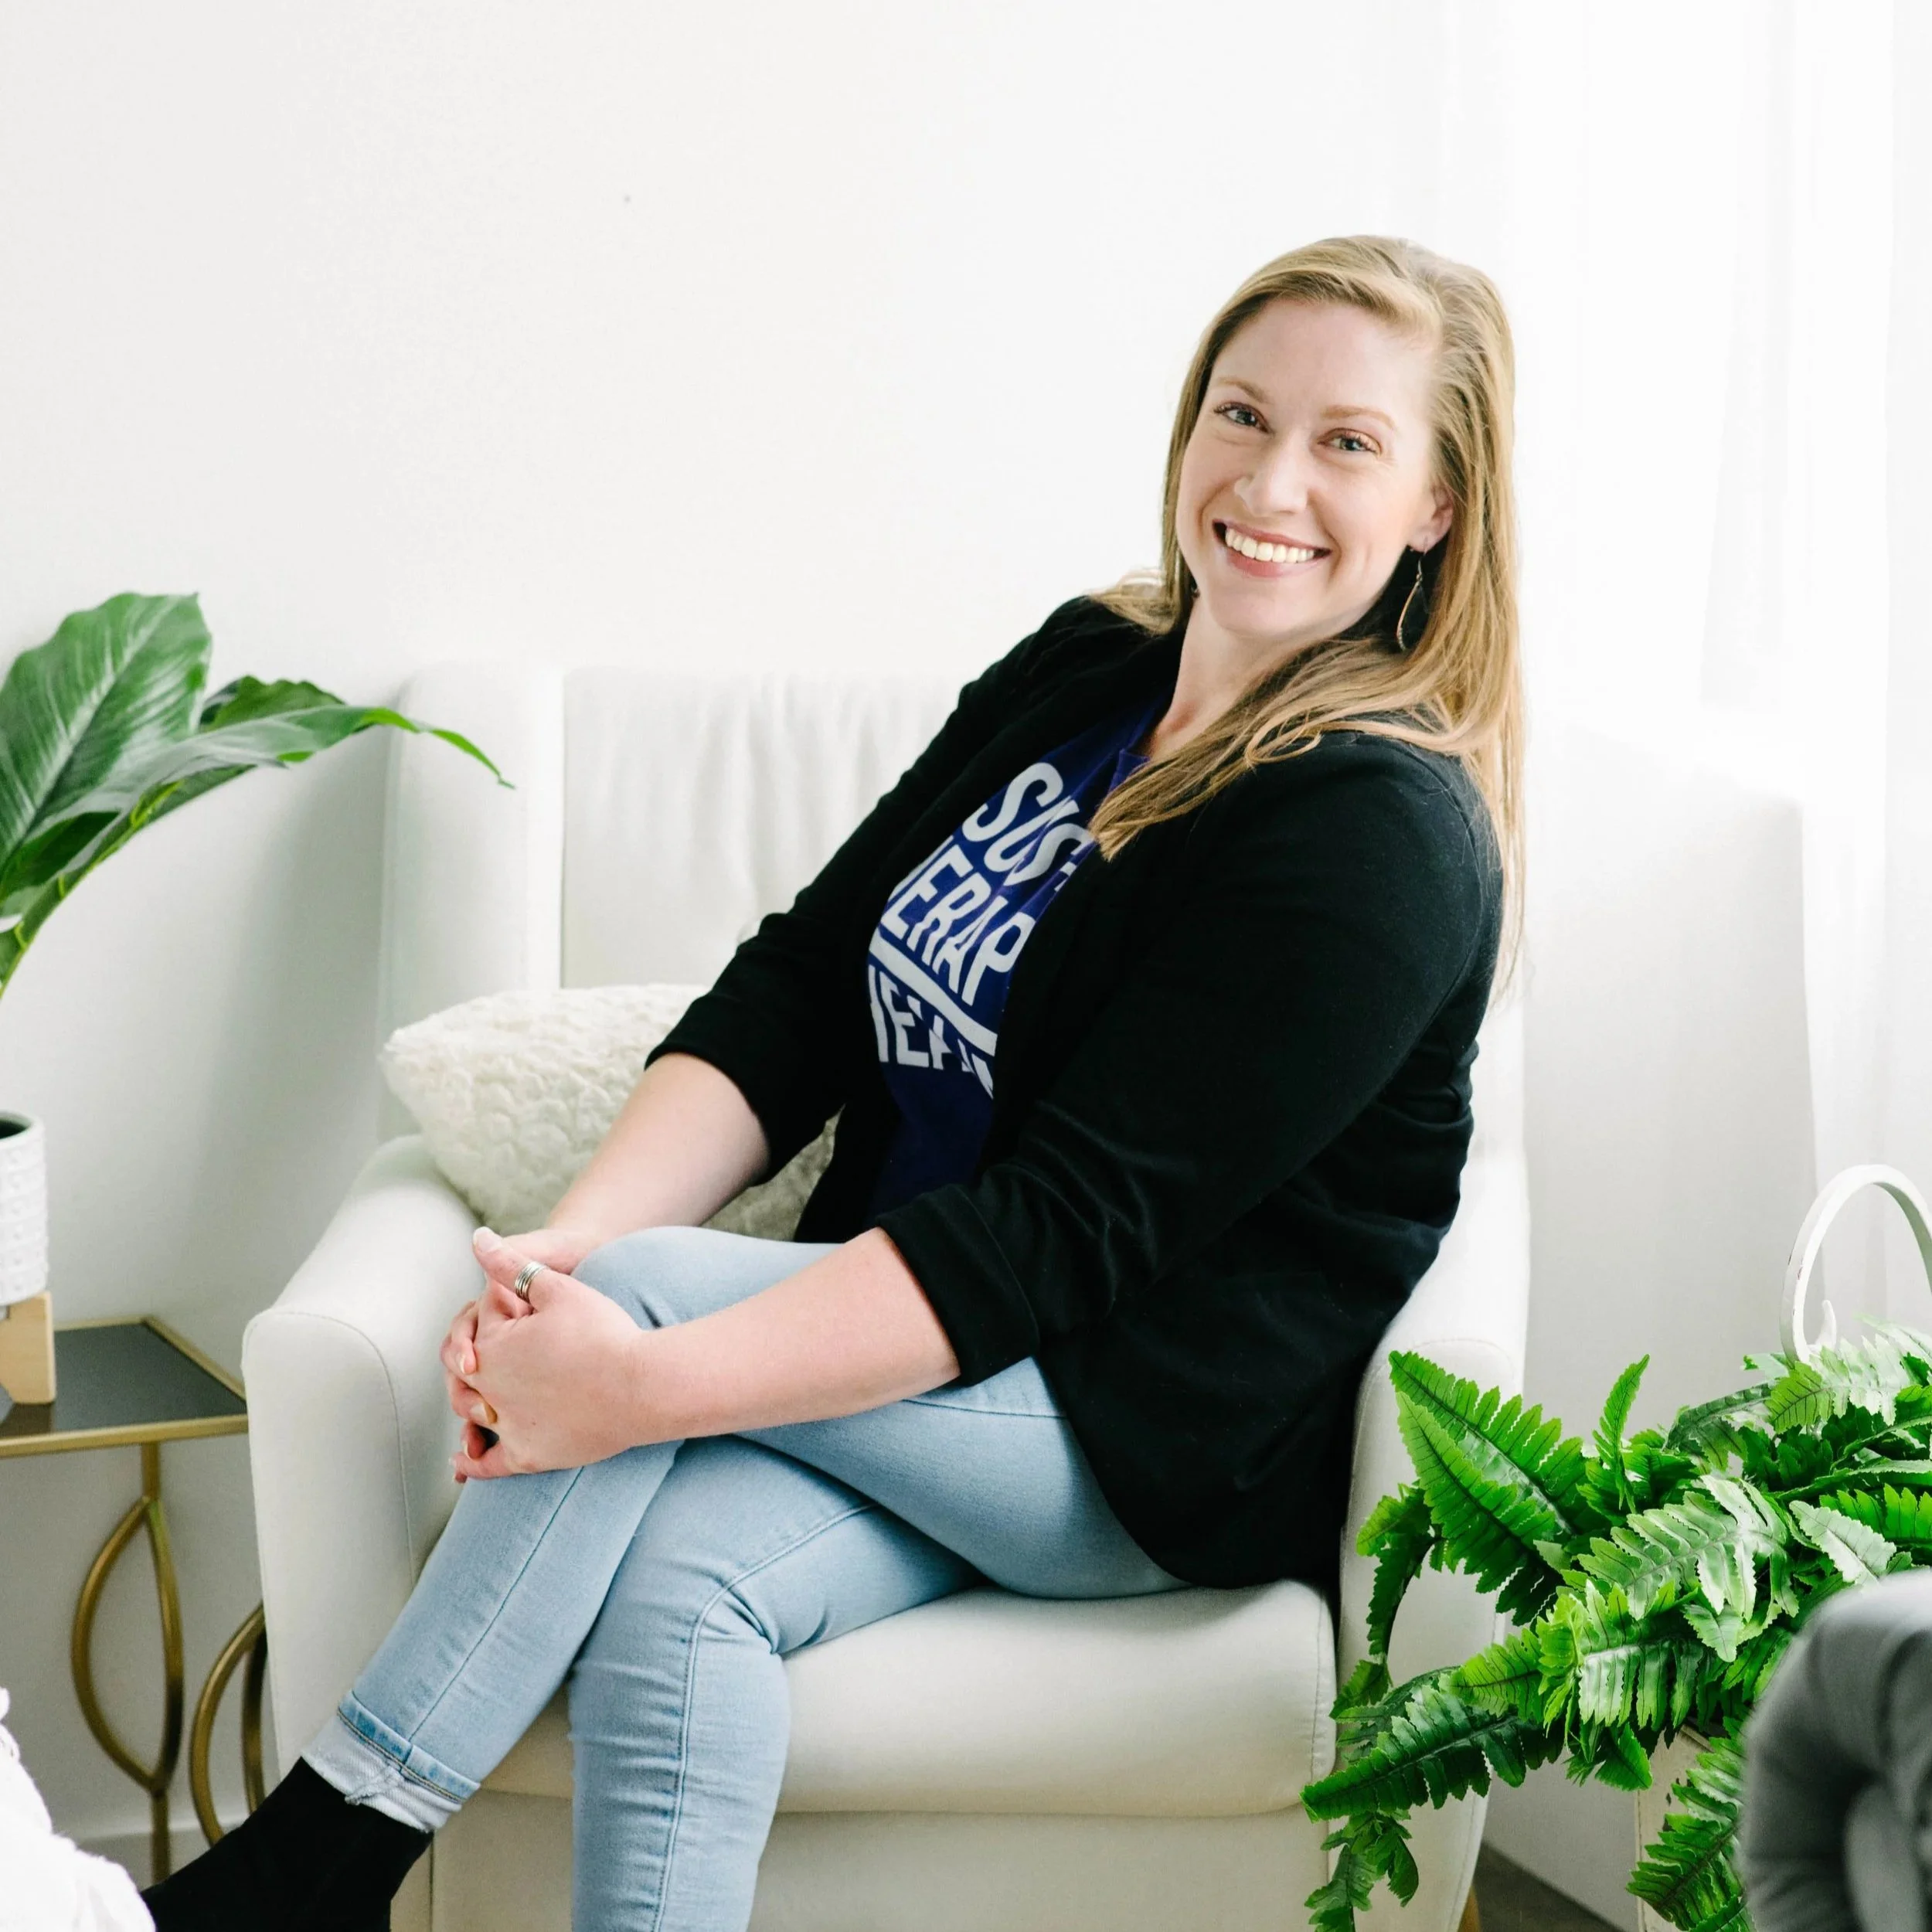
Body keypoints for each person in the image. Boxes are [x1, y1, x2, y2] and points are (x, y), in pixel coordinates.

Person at [145, 233, 1519, 1932]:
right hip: (903, 1345)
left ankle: (310, 1867)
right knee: (677, 1585)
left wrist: (628, 1368)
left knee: (646, 1311)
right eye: (1239, 413)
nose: (1268, 478)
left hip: (1137, 1427)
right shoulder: (1088, 667)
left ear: (1439, 506)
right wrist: (556, 1261)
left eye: (1346, 443)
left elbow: (1051, 1237)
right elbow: (805, 978)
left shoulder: (1373, 831)